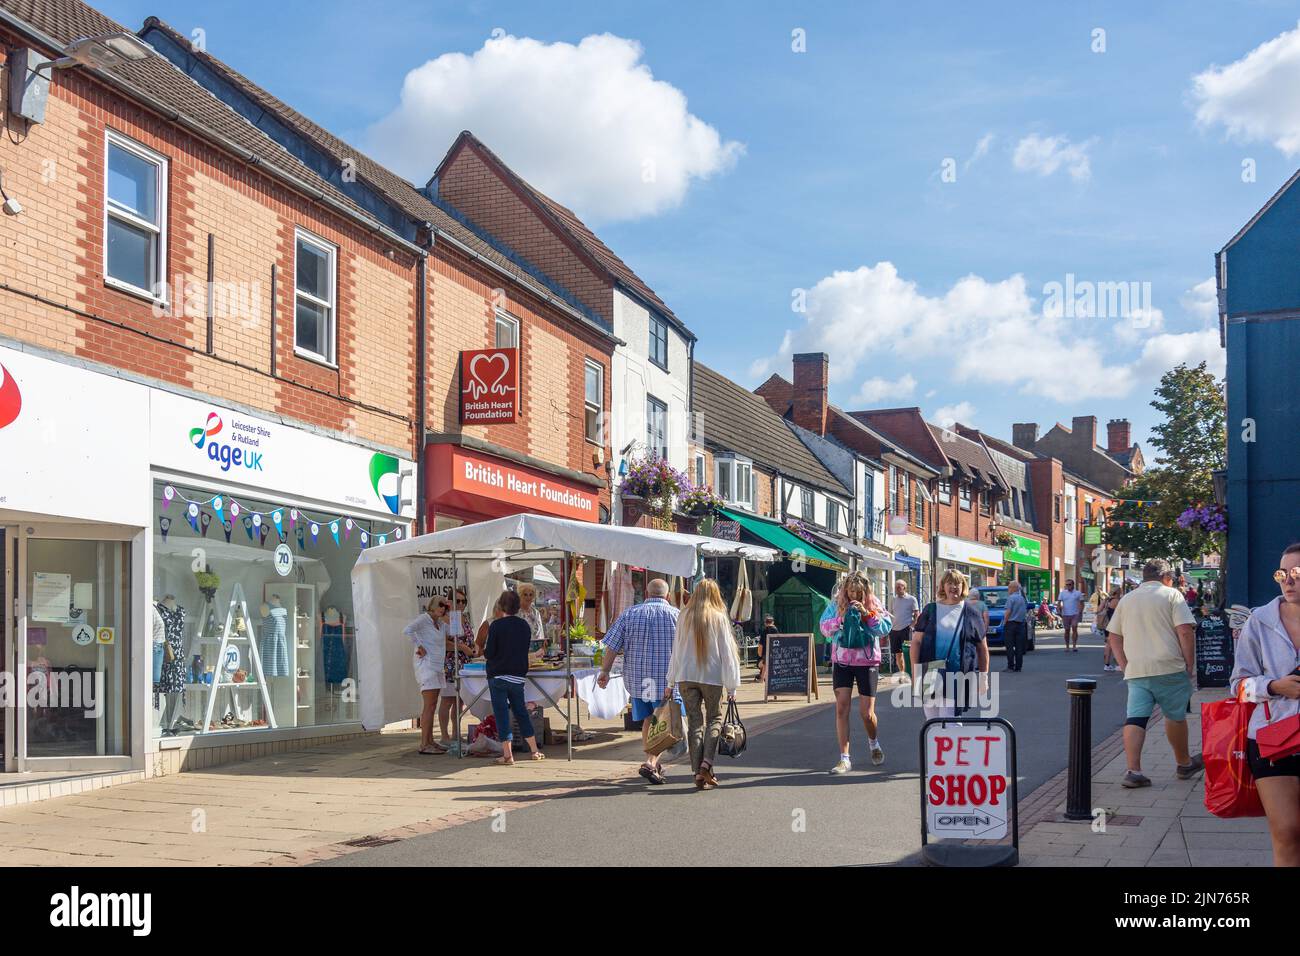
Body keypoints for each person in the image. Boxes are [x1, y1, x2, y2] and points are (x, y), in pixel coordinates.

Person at [1228, 544, 1300, 866]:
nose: (1289, 581)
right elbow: (1237, 685)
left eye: (1297, 574)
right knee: (1286, 831)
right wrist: (1273, 686)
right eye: (1282, 574)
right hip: (1273, 738)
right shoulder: (1260, 621)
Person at [1106, 558, 1202, 788]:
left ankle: (1134, 770)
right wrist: (1190, 664)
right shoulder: (1172, 595)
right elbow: (1185, 631)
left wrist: (1124, 664)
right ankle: (1184, 763)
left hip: (1137, 669)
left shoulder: (1127, 599)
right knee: (1174, 715)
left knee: (1136, 718)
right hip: (1169, 666)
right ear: (1167, 578)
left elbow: (1113, 637)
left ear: (1144, 577)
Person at [597, 578, 679, 785]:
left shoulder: (630, 614)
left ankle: (654, 764)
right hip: (666, 680)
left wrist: (604, 671)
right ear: (667, 596)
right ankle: (651, 762)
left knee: (648, 720)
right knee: (666, 721)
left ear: (646, 594)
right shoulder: (677, 616)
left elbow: (612, 646)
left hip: (639, 680)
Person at [665, 578, 741, 790]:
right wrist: (732, 685)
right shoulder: (718, 617)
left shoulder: (683, 616)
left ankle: (697, 771)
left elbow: (676, 651)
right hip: (712, 677)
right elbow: (727, 653)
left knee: (694, 722)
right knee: (715, 718)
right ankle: (706, 764)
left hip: (685, 677)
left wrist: (670, 681)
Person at [823, 571, 893, 774]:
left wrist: (867, 614)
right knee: (841, 708)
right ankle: (844, 758)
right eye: (850, 590)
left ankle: (874, 743)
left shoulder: (873, 603)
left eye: (858, 591)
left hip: (867, 661)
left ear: (865, 590)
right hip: (843, 660)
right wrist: (840, 621)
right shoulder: (836, 604)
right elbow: (824, 628)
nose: (853, 595)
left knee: (866, 713)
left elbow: (884, 629)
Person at [911, 569, 989, 719]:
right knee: (931, 722)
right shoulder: (931, 609)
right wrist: (915, 672)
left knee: (951, 722)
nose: (954, 587)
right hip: (930, 671)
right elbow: (916, 642)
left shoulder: (971, 612)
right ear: (943, 586)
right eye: (950, 583)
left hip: (958, 673)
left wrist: (983, 677)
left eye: (958, 583)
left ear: (963, 586)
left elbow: (982, 648)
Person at [484, 589, 544, 765]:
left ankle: (508, 755)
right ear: (518, 607)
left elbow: (489, 652)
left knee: (502, 714)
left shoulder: (496, 625)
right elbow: (524, 650)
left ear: (501, 606)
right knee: (521, 712)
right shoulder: (524, 626)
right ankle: (534, 750)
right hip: (518, 676)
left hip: (498, 676)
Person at [404, 597, 449, 755]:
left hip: (437, 665)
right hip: (426, 665)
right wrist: (419, 646)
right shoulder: (424, 619)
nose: (443, 608)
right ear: (433, 605)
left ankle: (430, 740)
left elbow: (459, 633)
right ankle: (424, 743)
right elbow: (407, 630)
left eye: (445, 606)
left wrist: (455, 614)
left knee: (433, 704)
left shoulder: (442, 624)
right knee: (429, 705)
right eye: (440, 605)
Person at [438, 590, 477, 746]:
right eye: (457, 601)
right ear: (449, 602)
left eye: (463, 601)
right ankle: (444, 735)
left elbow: (470, 638)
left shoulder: (464, 618)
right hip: (450, 663)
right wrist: (461, 647)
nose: (461, 604)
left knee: (459, 700)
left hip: (464, 664)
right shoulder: (445, 619)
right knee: (447, 700)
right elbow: (443, 643)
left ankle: (455, 732)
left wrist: (473, 647)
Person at [888, 579, 919, 678]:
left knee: (908, 652)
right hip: (894, 629)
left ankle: (910, 672)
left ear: (904, 588)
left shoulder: (911, 599)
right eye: (896, 586)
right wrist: (889, 626)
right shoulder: (893, 599)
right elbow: (890, 613)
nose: (897, 588)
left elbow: (917, 614)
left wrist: (912, 625)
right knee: (898, 653)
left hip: (906, 629)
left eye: (899, 586)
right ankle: (902, 673)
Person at [1003, 581, 1029, 672]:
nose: (1008, 589)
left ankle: (1010, 666)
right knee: (1019, 647)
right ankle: (1018, 667)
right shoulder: (1022, 599)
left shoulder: (1011, 598)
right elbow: (1024, 611)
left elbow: (1008, 612)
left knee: (1009, 646)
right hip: (1020, 624)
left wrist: (1004, 622)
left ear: (1013, 588)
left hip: (1011, 624)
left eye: (1009, 587)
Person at [517, 582, 546, 653]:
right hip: (520, 649)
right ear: (520, 596)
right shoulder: (516, 612)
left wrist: (542, 645)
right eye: (525, 594)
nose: (528, 597)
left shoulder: (535, 612)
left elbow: (540, 631)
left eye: (531, 595)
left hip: (536, 650)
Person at [1097, 589, 1122, 672]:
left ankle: (1107, 665)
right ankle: (1119, 664)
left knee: (1108, 645)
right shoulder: (1117, 601)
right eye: (1120, 591)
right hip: (1115, 625)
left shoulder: (1106, 600)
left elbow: (1098, 610)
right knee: (1118, 644)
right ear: (1118, 592)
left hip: (1106, 625)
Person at [1059, 579, 1086, 652]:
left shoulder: (1078, 593)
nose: (1068, 586)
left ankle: (1074, 646)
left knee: (1074, 627)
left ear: (1073, 585)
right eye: (1067, 585)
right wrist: (1059, 611)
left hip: (1075, 614)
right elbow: (1059, 603)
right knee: (1067, 630)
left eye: (1069, 584)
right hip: (1065, 614)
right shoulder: (1062, 593)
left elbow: (1082, 603)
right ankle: (1067, 646)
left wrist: (1080, 612)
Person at [756, 614, 778, 684]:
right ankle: (765, 678)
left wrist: (760, 653)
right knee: (768, 664)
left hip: (766, 651)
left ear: (765, 623)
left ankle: (762, 679)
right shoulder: (776, 630)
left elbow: (761, 644)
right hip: (774, 650)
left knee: (765, 664)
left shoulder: (764, 631)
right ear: (773, 622)